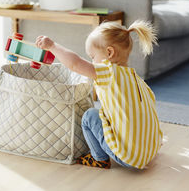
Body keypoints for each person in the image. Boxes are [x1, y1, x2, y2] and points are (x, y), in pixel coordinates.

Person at [35, 20, 163, 169]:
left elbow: (75, 64)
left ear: (109, 53)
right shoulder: (137, 80)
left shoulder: (108, 72)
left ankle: (99, 158)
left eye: (92, 57)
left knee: (90, 116)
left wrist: (52, 46)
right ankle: (142, 146)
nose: (91, 62)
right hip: (150, 150)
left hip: (128, 157)